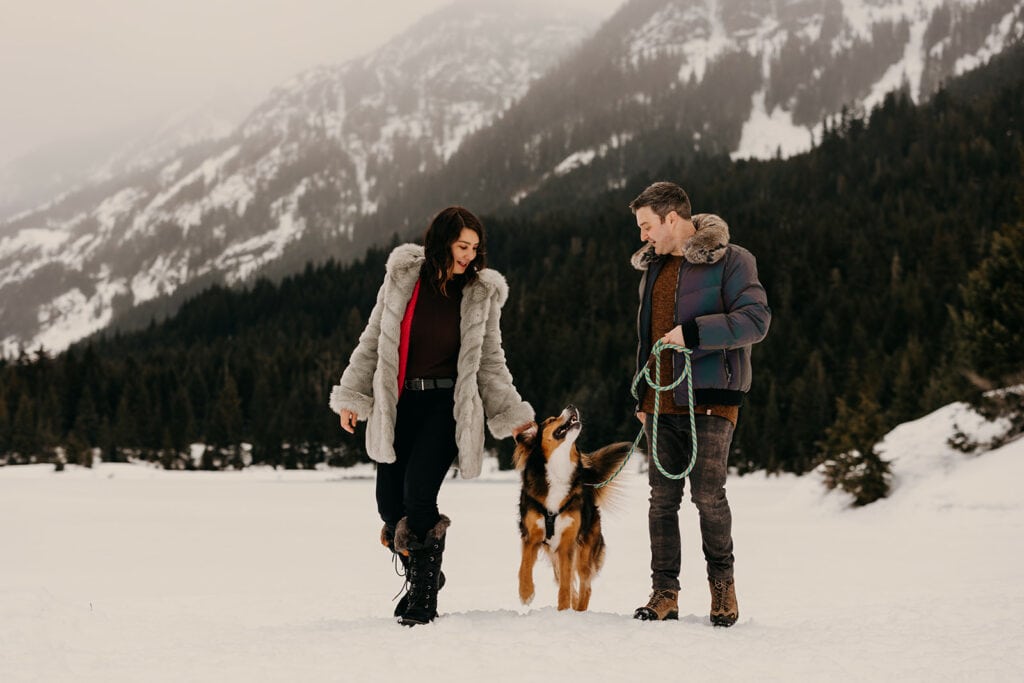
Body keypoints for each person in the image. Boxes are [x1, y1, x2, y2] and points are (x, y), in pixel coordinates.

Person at [329, 206, 534, 626]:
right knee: (390, 505)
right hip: (399, 404)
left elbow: (491, 361)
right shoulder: (402, 279)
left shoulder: (480, 293)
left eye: (475, 248)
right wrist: (352, 396)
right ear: (441, 242)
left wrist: (512, 412)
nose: (469, 256)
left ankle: (423, 597)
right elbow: (372, 342)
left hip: (447, 408)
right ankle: (428, 569)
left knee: (420, 494)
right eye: (463, 246)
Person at [628, 182, 770, 627]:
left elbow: (755, 320)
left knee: (708, 497)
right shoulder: (652, 268)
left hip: (711, 396)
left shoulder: (733, 260)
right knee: (660, 501)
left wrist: (693, 334)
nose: (643, 236)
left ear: (672, 218)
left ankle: (722, 587)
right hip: (659, 400)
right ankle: (664, 591)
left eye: (647, 225)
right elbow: (646, 339)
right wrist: (642, 396)